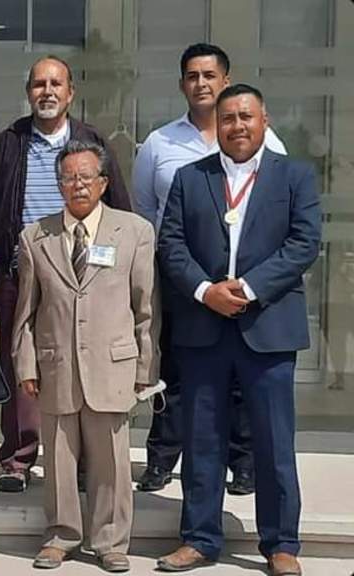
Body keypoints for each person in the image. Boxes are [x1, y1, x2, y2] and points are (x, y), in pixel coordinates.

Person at [156, 84, 319, 576]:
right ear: (217, 126)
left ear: (264, 120)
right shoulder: (190, 178)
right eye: (228, 118)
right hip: (204, 327)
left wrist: (246, 287)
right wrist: (206, 291)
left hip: (268, 327)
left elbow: (304, 242)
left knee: (273, 442)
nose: (237, 126)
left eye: (246, 116)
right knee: (202, 437)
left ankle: (281, 543)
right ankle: (201, 538)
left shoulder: (295, 176)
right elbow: (172, 244)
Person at [131, 43, 288, 495]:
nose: (201, 83)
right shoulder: (160, 143)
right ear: (182, 84)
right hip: (183, 282)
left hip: (245, 287)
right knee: (176, 375)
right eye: (192, 76)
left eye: (209, 75)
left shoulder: (266, 141)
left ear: (224, 79)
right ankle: (161, 459)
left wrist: (250, 283)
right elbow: (146, 211)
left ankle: (242, 464)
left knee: (240, 378)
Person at [0, 55, 132, 493]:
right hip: (19, 272)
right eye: (39, 84)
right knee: (20, 362)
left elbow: (118, 207)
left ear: (70, 93)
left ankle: (80, 461)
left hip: (83, 274)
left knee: (79, 362)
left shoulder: (91, 141)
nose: (47, 91)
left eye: (55, 83)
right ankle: (18, 458)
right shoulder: (8, 143)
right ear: (29, 93)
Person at [13, 141, 157, 573]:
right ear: (58, 185)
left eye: (85, 177)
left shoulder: (134, 231)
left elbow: (146, 306)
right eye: (68, 178)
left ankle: (111, 540)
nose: (77, 185)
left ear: (104, 182)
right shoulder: (36, 236)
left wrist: (145, 368)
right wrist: (25, 364)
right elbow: (26, 310)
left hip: (112, 366)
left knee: (112, 462)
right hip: (55, 363)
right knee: (58, 460)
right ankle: (60, 536)